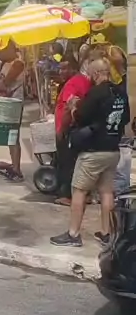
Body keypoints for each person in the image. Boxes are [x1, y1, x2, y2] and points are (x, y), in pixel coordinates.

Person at [50, 58, 130, 248]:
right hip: (113, 150)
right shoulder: (120, 92)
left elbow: (80, 117)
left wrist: (73, 107)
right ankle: (107, 233)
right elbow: (126, 118)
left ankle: (73, 234)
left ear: (95, 74)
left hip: (93, 152)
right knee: (106, 192)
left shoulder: (95, 93)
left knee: (78, 191)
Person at [54, 58, 91, 206]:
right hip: (81, 128)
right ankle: (83, 194)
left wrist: (61, 130)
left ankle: (66, 195)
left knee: (66, 162)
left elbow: (67, 109)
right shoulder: (84, 82)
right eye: (60, 68)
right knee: (77, 163)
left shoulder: (72, 84)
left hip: (69, 128)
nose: (61, 72)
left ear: (74, 69)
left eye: (65, 68)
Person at [0, 40, 25, 181]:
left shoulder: (18, 63)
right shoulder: (5, 64)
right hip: (7, 103)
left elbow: (4, 83)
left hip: (14, 103)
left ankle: (17, 169)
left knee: (13, 135)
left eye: (2, 49)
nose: (0, 53)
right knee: (10, 137)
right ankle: (14, 166)